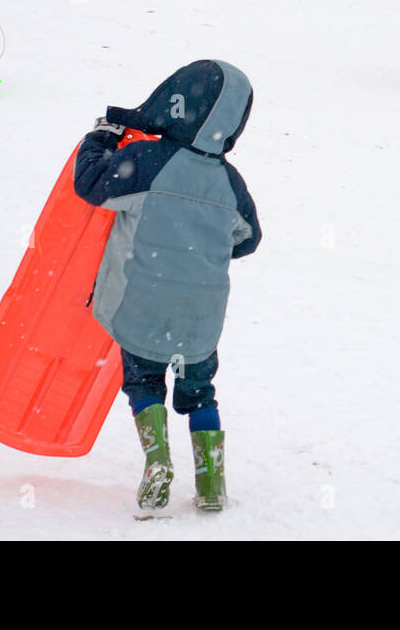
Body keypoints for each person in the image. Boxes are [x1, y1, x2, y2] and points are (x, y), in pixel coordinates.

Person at [72, 59, 260, 512]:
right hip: (200, 315)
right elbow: (248, 239)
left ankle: (158, 463)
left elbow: (91, 183)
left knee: (144, 381)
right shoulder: (231, 182)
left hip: (142, 302)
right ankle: (211, 482)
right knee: (200, 390)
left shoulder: (146, 161)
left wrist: (100, 137)